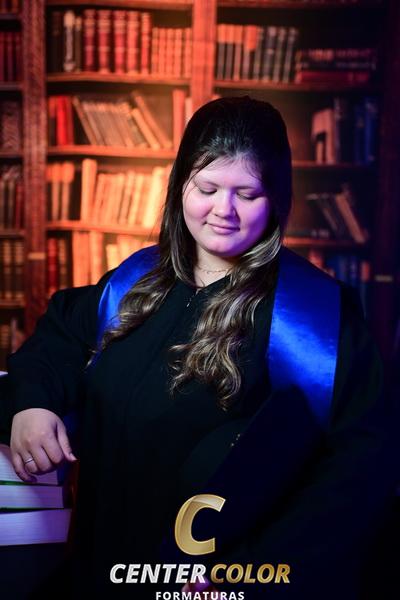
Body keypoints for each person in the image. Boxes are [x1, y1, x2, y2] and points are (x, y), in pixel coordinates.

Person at [0, 96, 398, 600]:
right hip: (100, 562)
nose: (222, 211)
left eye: (247, 194)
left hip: (216, 580)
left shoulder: (315, 320)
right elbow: (59, 335)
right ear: (180, 185)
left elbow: (358, 468)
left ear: (277, 198)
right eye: (206, 188)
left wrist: (255, 571)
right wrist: (32, 403)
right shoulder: (135, 282)